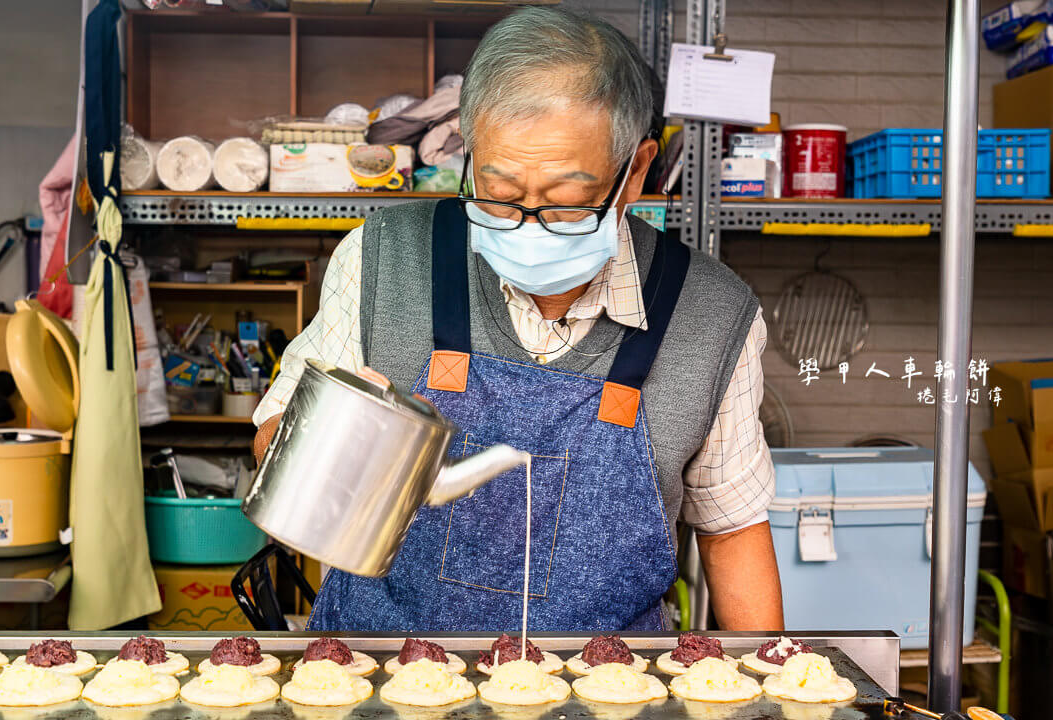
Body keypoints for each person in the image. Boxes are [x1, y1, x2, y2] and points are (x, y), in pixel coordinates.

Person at [253, 7, 783, 632]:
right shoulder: (383, 257)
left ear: (635, 171)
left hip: (609, 686)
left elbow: (731, 531)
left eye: (564, 203)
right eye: (500, 194)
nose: (526, 224)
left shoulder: (711, 316)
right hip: (376, 675)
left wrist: (769, 686)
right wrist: (331, 431)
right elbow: (271, 445)